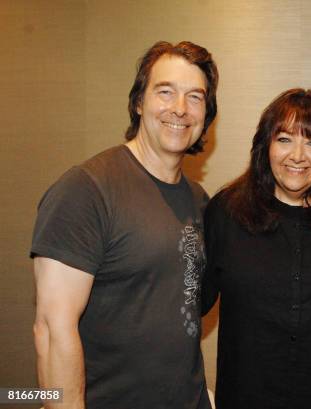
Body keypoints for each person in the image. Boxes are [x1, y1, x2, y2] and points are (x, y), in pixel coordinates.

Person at [30, 41, 218, 409]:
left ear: (206, 114)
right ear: (138, 102)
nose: (180, 109)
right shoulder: (87, 189)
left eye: (195, 97)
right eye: (166, 92)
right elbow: (52, 330)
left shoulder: (198, 199)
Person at [203, 89, 311, 409]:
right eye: (284, 139)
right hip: (249, 397)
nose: (297, 155)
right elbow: (187, 304)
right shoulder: (225, 212)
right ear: (265, 145)